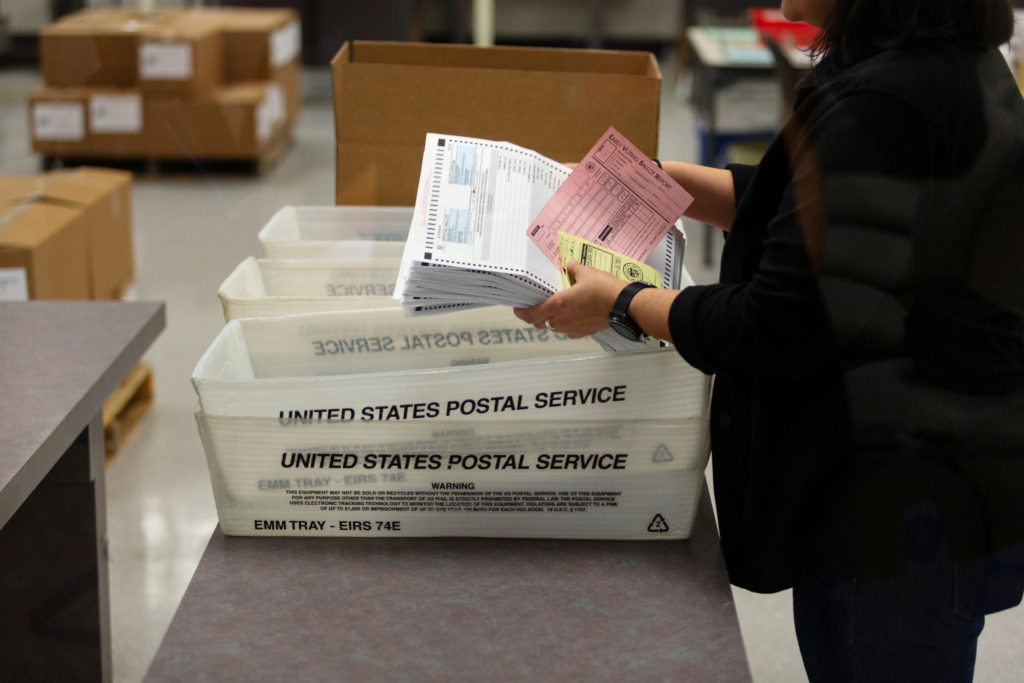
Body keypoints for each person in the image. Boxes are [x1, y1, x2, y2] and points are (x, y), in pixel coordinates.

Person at [514, 1, 1024, 680]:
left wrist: (623, 302)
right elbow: (822, 216)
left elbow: (775, 322)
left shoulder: (885, 102)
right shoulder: (940, 62)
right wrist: (672, 187)